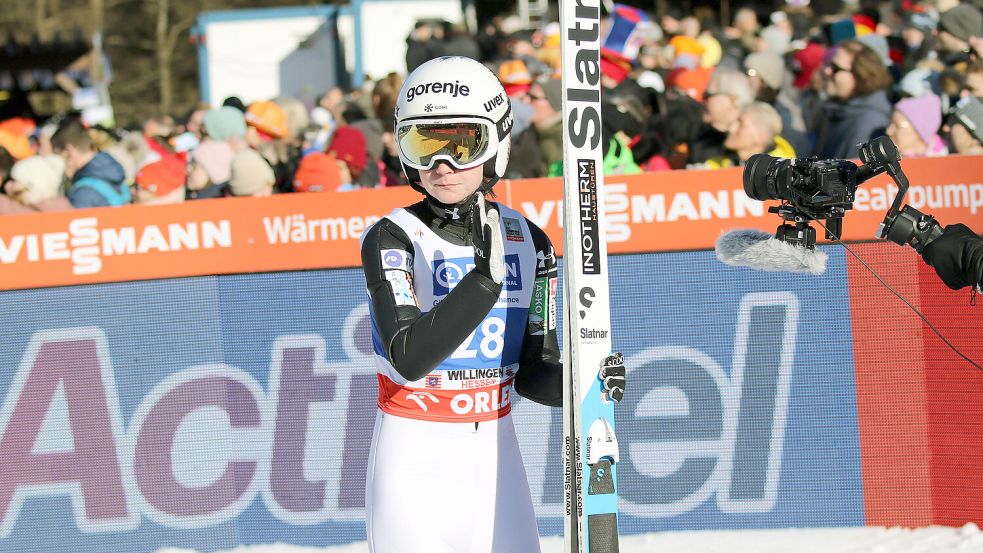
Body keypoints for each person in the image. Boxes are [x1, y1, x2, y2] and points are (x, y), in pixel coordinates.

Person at [359, 56, 625, 553]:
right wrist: (483, 283)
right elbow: (409, 357)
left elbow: (533, 370)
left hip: (494, 455)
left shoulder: (529, 240)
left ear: (497, 144)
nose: (443, 166)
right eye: (424, 144)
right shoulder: (394, 236)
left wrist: (583, 384)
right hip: (413, 452)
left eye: (463, 145)